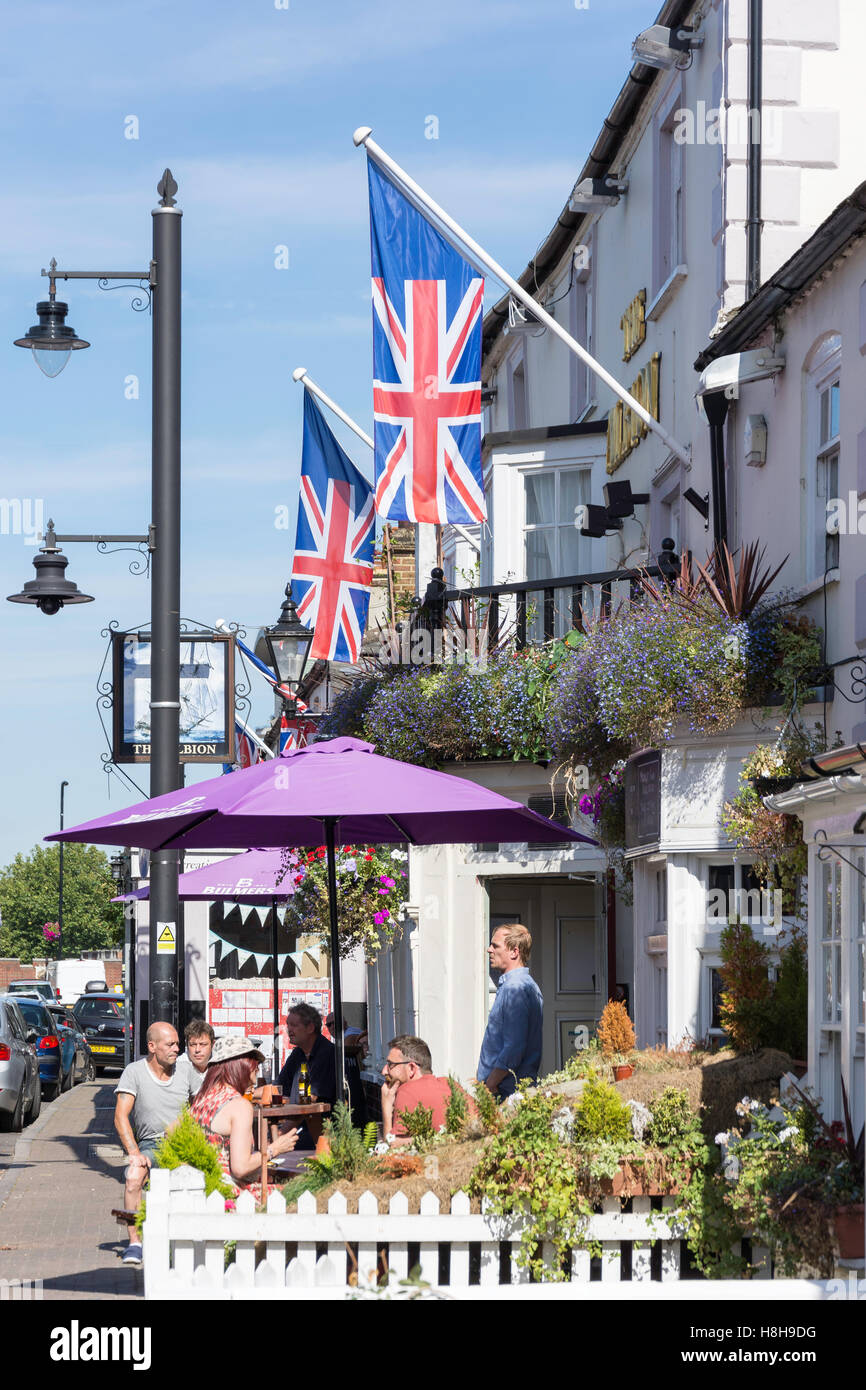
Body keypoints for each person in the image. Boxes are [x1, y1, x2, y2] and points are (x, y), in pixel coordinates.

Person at [114, 1021, 196, 1267]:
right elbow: (120, 1116)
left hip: (184, 1143)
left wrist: (184, 1123)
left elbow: (203, 1106)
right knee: (133, 1177)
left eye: (177, 1044)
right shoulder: (135, 1072)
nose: (176, 1049)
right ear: (152, 1046)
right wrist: (134, 1153)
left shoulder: (186, 1071)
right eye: (170, 1044)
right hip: (151, 1144)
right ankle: (135, 1243)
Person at [191, 1035, 299, 1200]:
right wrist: (275, 1148)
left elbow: (172, 1130)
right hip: (231, 1196)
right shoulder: (239, 1105)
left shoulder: (202, 1098)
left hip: (203, 1189)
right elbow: (240, 1167)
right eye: (255, 1065)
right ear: (241, 1066)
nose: (257, 1071)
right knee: (300, 1191)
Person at [477, 923, 543, 1098]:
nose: (489, 950)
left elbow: (514, 1047)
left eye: (495, 946)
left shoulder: (515, 988)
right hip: (509, 1089)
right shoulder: (523, 985)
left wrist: (490, 1083)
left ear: (514, 952)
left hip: (506, 1092)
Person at [277, 1003, 336, 1148]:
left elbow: (309, 1102)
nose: (289, 1030)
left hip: (322, 1133)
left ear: (310, 1028)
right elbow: (278, 1087)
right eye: (288, 1025)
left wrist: (279, 1135)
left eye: (294, 1025)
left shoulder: (327, 1054)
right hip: (298, 1124)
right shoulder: (298, 1053)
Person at [380, 1035, 458, 1144]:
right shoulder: (450, 1084)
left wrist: (386, 1108)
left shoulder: (406, 1092)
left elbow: (392, 1151)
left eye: (390, 1064)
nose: (384, 1071)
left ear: (411, 1068)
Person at [325, 1011, 368, 1128]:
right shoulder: (341, 1038)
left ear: (344, 1022)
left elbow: (346, 1048)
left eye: (334, 1023)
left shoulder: (350, 1034)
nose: (332, 1027)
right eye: (329, 1025)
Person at [177, 1019, 215, 1096]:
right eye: (193, 1045)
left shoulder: (220, 1063)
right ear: (186, 1045)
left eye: (203, 1044)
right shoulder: (178, 1066)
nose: (197, 1050)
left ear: (213, 1044)